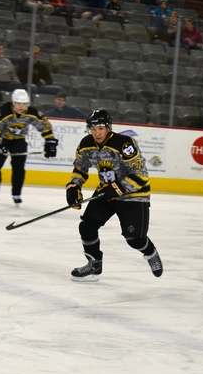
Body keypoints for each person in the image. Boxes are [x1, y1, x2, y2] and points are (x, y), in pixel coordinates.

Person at [66, 109, 163, 281]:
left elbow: (140, 176)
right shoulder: (86, 144)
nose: (97, 133)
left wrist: (116, 189)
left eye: (101, 128)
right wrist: (74, 186)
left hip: (134, 195)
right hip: (106, 193)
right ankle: (94, 264)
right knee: (87, 227)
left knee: (134, 239)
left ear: (109, 128)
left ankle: (150, 253)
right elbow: (80, 167)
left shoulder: (124, 144)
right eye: (93, 128)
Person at [0, 89, 58, 204]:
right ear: (13, 103)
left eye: (24, 104)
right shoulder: (3, 111)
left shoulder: (32, 112)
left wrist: (50, 142)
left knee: (19, 169)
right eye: (19, 104)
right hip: (2, 140)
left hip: (19, 141)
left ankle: (16, 193)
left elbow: (44, 126)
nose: (21, 107)